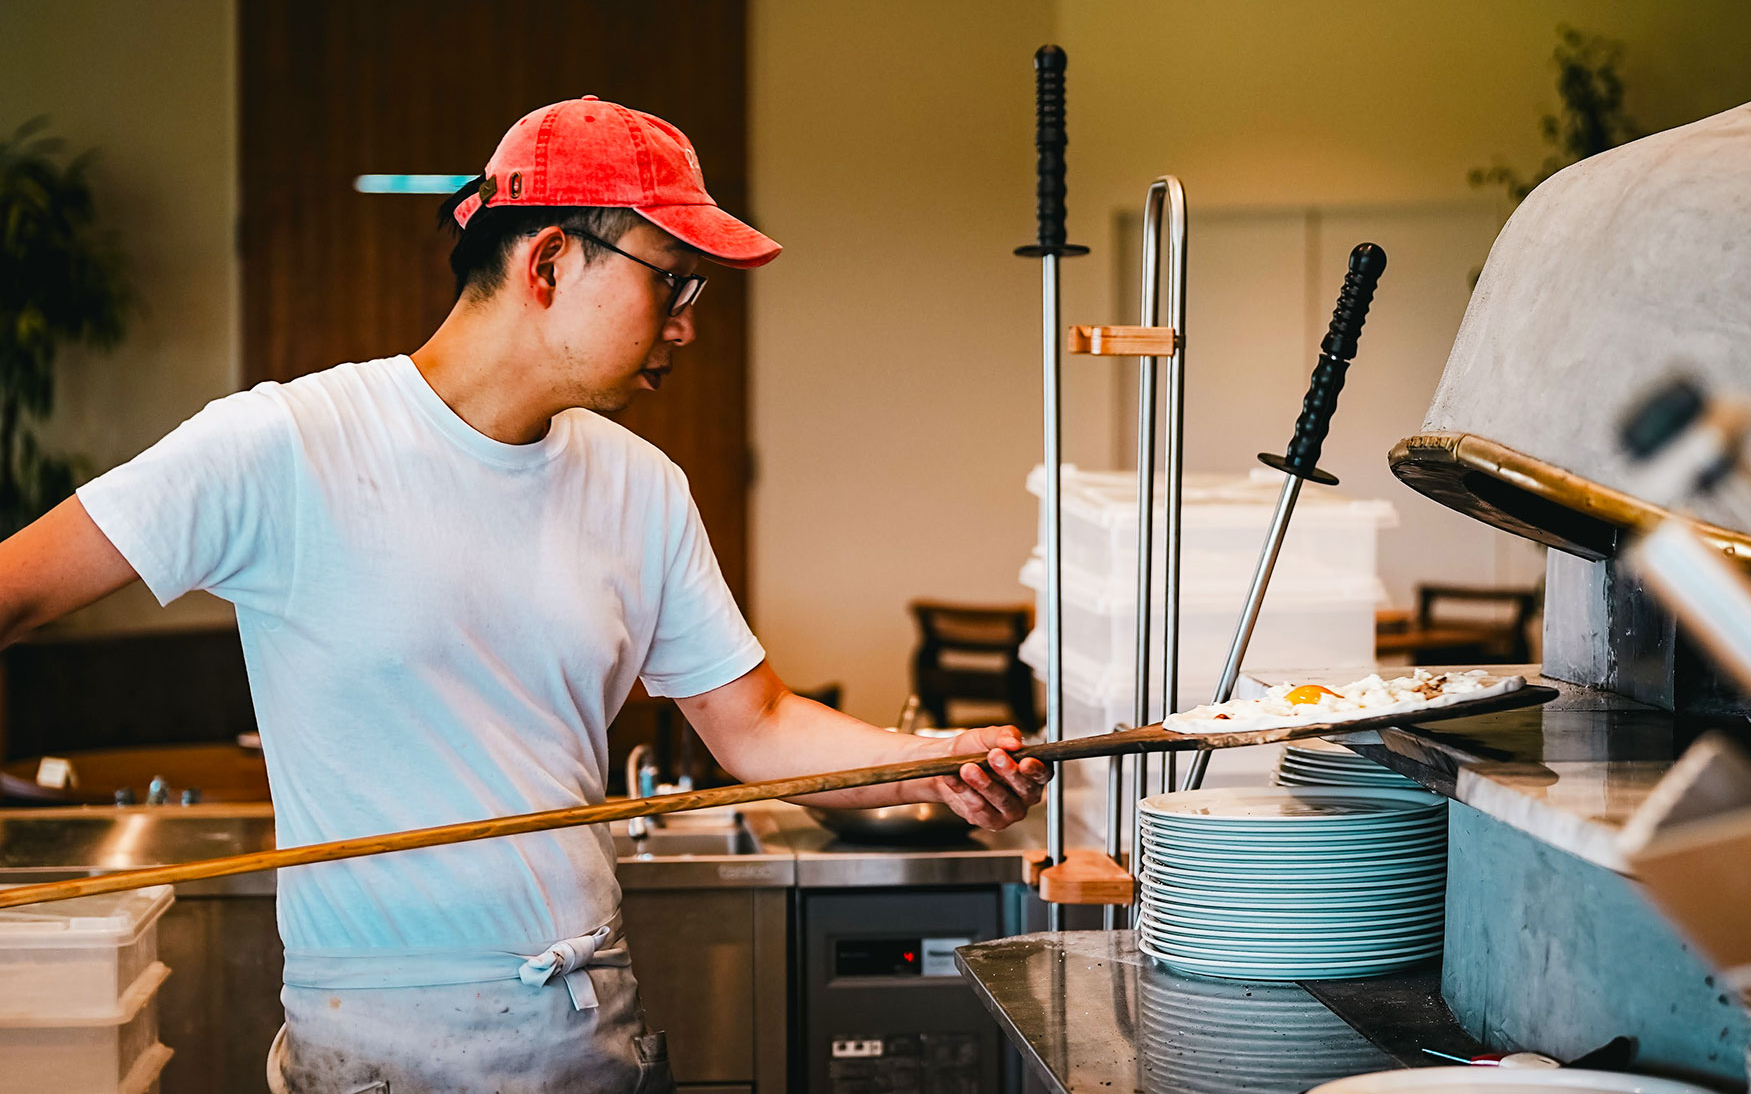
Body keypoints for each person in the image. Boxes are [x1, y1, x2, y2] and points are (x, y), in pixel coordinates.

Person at [0, 96, 1049, 1092]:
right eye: (670, 283)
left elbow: (759, 728)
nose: (687, 323)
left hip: (593, 1041)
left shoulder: (640, 485)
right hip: (371, 1057)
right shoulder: (284, 446)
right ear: (549, 259)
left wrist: (934, 764)